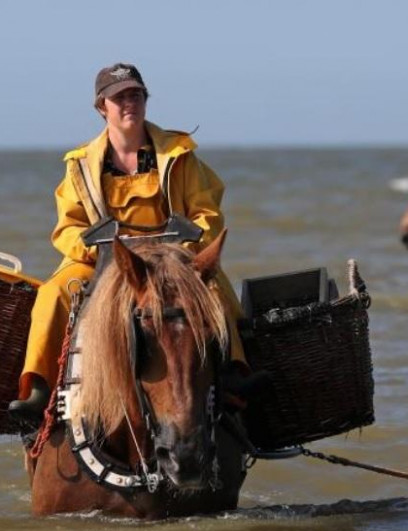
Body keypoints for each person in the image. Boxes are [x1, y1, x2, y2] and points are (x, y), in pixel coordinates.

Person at [9, 63, 246, 423]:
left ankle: (233, 376)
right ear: (102, 107)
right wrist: (96, 248)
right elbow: (66, 228)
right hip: (105, 261)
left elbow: (207, 215)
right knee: (53, 292)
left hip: (172, 261)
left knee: (215, 292)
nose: (128, 103)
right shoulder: (79, 165)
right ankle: (39, 388)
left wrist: (185, 249)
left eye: (135, 94)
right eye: (119, 97)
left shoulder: (180, 155)